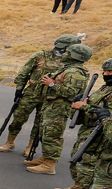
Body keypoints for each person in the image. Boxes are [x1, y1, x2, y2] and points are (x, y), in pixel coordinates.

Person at [24, 44, 93, 176]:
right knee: (46, 133)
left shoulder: (75, 73)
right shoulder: (68, 69)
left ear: (75, 56)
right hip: (52, 105)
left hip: (59, 108)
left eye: (68, 53)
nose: (64, 54)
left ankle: (50, 165)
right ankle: (45, 158)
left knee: (53, 135)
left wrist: (52, 84)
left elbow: (71, 93)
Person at [54, 59, 112, 189]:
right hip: (88, 129)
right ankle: (78, 186)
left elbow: (106, 114)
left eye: (110, 72)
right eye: (104, 71)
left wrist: (86, 107)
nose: (106, 74)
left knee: (87, 164)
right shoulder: (107, 88)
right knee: (77, 159)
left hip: (100, 135)